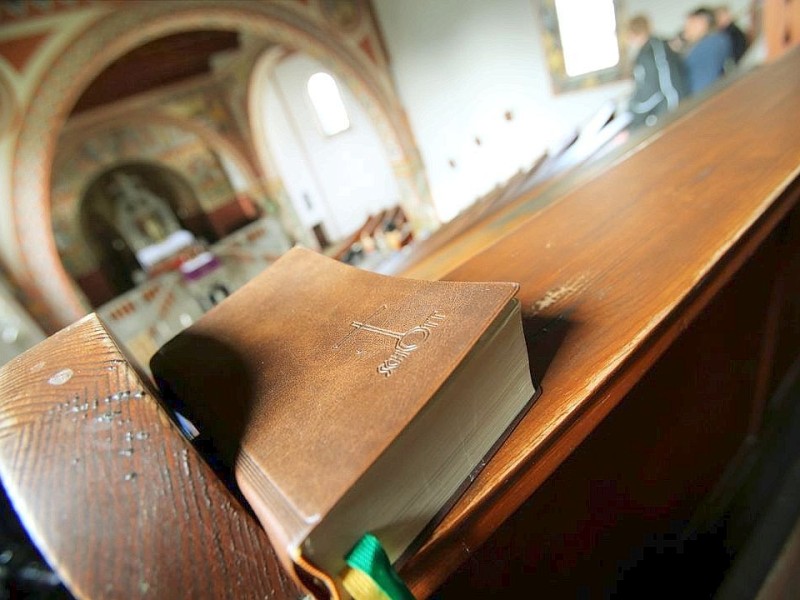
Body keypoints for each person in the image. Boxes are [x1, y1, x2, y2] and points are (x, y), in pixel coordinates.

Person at [626, 15, 688, 129]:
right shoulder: (658, 44)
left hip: (671, 106)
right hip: (674, 102)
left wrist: (633, 111)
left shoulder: (648, 54)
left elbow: (650, 88)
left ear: (632, 34)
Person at [682, 7, 734, 95]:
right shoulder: (714, 41)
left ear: (701, 23)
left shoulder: (711, 44)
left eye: (690, 23)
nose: (685, 28)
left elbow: (702, 85)